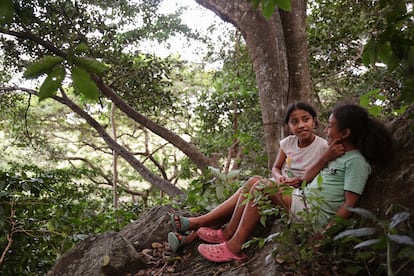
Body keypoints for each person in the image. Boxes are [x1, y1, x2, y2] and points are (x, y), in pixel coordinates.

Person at [192, 102, 392, 262]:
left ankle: (234, 246)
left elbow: (350, 204)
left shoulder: (356, 162)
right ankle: (227, 234)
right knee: (255, 181)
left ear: (345, 133)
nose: (327, 130)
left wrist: (323, 234)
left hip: (314, 215)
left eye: (331, 126)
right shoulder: (337, 154)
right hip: (303, 200)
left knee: (262, 186)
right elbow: (306, 178)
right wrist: (326, 158)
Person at [168, 102, 330, 254]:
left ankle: (196, 227)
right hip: (280, 186)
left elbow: (323, 177)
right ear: (288, 126)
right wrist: (279, 177)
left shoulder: (322, 146)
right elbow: (275, 168)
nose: (301, 125)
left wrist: (300, 181)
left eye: (305, 119)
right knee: (251, 183)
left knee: (254, 186)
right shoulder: (288, 143)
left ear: (314, 121)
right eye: (294, 122)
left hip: (298, 194)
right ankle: (192, 234)